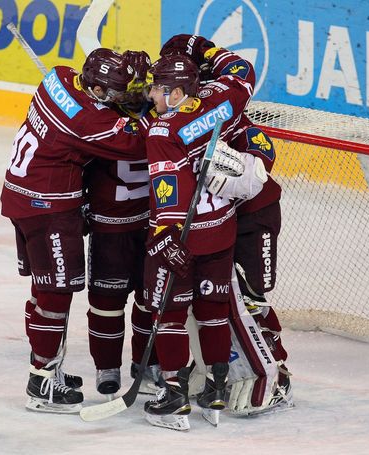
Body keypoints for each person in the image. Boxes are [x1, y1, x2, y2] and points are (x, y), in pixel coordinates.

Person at [0, 48, 146, 413]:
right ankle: (42, 381)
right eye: (113, 93)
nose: (118, 99)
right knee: (56, 293)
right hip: (47, 208)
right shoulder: (88, 121)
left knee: (43, 288)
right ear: (95, 90)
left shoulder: (58, 77)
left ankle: (49, 367)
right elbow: (136, 141)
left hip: (21, 195)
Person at [161, 34, 292, 415]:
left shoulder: (221, 105)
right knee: (209, 300)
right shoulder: (187, 109)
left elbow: (259, 163)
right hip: (216, 222)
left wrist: (234, 175)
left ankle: (276, 372)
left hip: (254, 216)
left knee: (249, 297)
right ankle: (212, 369)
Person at [141, 45, 258, 430]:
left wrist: (167, 237)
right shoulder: (220, 98)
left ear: (176, 94)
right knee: (212, 310)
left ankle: (174, 394)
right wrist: (207, 49)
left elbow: (168, 190)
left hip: (185, 236)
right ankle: (217, 388)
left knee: (170, 313)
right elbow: (243, 72)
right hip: (222, 229)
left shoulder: (163, 130)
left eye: (157, 89)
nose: (151, 96)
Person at [83, 50, 161, 397]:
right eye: (130, 85)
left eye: (142, 85)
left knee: (150, 301)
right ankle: (107, 367)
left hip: (149, 226)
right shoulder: (99, 119)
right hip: (109, 228)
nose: (135, 92)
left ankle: (145, 364)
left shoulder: (159, 116)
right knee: (106, 303)